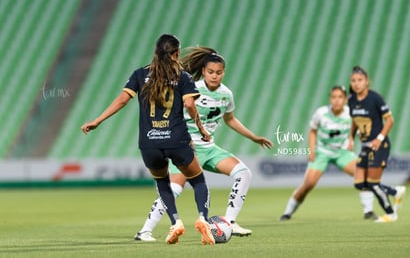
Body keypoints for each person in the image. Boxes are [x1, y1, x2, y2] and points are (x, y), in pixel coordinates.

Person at [81, 34, 215, 245]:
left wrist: (97, 120)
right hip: (177, 140)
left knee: (162, 183)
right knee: (198, 180)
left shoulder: (140, 74)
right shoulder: (182, 76)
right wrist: (201, 128)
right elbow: (190, 105)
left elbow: (122, 100)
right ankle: (202, 219)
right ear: (176, 53)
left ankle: (176, 222)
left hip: (149, 142)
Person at [134, 47, 274, 242]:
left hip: (209, 148)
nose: (214, 76)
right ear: (203, 71)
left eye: (218, 72)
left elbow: (230, 119)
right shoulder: (191, 88)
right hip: (185, 147)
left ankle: (230, 223)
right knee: (174, 188)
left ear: (223, 72)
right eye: (210, 72)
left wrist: (254, 137)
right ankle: (145, 231)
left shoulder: (226, 94)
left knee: (243, 173)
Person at [280, 86, 377, 221]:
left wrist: (352, 140)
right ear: (330, 99)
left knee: (362, 174)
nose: (336, 100)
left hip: (342, 152)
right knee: (308, 184)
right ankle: (287, 212)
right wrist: (312, 149)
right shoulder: (321, 113)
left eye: (340, 97)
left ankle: (368, 211)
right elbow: (313, 130)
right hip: (322, 152)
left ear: (345, 99)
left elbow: (358, 130)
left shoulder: (352, 113)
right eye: (333, 97)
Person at [348, 66, 406, 223]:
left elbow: (390, 120)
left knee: (373, 184)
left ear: (367, 81)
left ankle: (391, 214)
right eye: (353, 80)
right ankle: (395, 191)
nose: (356, 83)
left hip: (379, 146)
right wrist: (351, 138)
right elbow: (355, 121)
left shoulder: (375, 98)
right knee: (360, 183)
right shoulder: (351, 100)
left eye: (360, 80)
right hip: (365, 146)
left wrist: (379, 138)